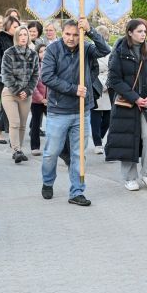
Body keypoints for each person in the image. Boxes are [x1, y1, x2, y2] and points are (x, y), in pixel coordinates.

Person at [41, 18, 110, 206]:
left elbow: (105, 50)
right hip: (58, 110)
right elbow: (47, 76)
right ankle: (48, 181)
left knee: (79, 154)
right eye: (67, 34)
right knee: (52, 152)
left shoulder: (86, 48)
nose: (71, 38)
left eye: (75, 35)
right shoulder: (53, 50)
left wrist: (90, 30)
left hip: (81, 110)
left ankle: (77, 191)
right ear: (62, 33)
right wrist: (73, 89)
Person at [105, 19, 147, 190]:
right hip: (127, 104)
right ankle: (130, 177)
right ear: (130, 32)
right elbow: (114, 80)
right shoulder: (120, 52)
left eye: (145, 31)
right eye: (139, 31)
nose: (143, 34)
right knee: (128, 139)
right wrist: (135, 98)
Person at [0, 25, 39, 163]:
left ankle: (19, 149)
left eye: (25, 34)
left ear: (28, 37)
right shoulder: (9, 53)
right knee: (15, 122)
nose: (23, 37)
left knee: (22, 124)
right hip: (10, 93)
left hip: (26, 95)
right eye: (20, 35)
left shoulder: (33, 54)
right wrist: (17, 90)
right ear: (16, 37)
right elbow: (6, 75)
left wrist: (27, 91)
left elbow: (35, 75)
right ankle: (16, 150)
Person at [0, 16, 20, 143]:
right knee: (7, 105)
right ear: (8, 27)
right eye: (15, 27)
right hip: (0, 78)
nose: (17, 29)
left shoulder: (15, 39)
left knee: (7, 105)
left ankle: (0, 131)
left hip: (12, 78)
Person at [90, 25, 112, 155]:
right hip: (95, 85)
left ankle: (100, 137)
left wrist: (107, 83)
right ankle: (97, 143)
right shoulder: (91, 50)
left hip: (108, 87)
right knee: (95, 117)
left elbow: (113, 68)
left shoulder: (111, 50)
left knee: (107, 118)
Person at [29, 44, 48, 156]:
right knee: (36, 124)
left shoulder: (52, 65)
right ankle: (35, 147)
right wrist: (41, 99)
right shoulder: (35, 66)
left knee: (54, 124)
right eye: (41, 51)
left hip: (50, 101)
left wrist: (49, 99)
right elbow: (33, 85)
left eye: (45, 50)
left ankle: (54, 147)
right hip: (37, 101)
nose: (44, 53)